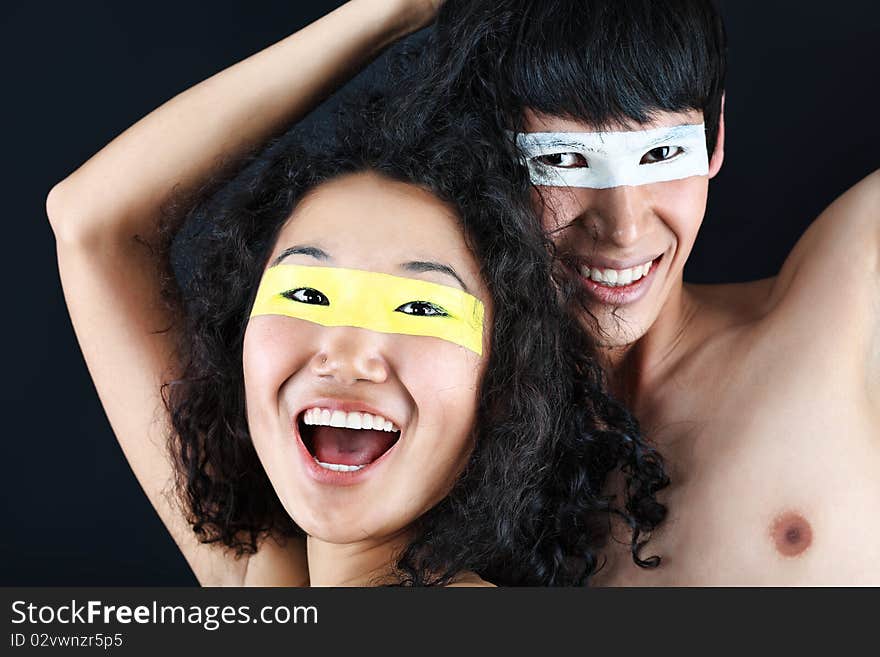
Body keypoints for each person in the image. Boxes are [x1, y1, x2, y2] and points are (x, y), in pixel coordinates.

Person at [45, 0, 667, 585]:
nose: (346, 353)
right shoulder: (265, 575)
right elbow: (89, 223)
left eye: (422, 308)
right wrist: (393, 10)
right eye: (308, 296)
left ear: (503, 391)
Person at [413, 0, 880, 585]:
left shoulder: (846, 307)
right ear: (491, 165)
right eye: (562, 159)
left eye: (662, 153)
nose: (624, 228)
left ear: (715, 141)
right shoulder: (431, 418)